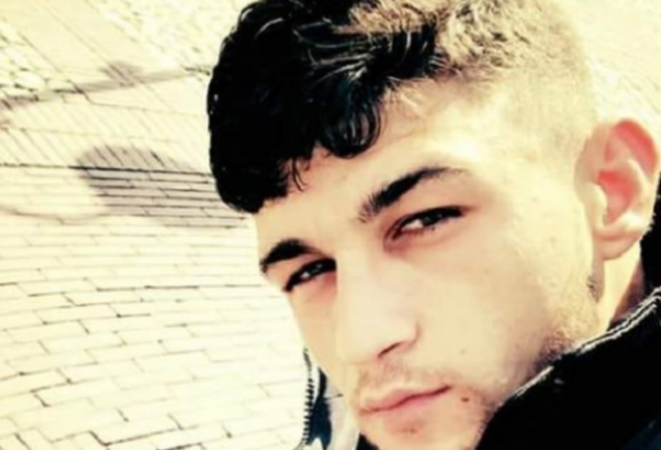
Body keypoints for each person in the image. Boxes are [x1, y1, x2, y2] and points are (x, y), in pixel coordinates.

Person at [205, 0, 661, 449]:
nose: (359, 341)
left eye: (426, 220)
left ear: (613, 190)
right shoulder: (347, 421)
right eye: (310, 270)